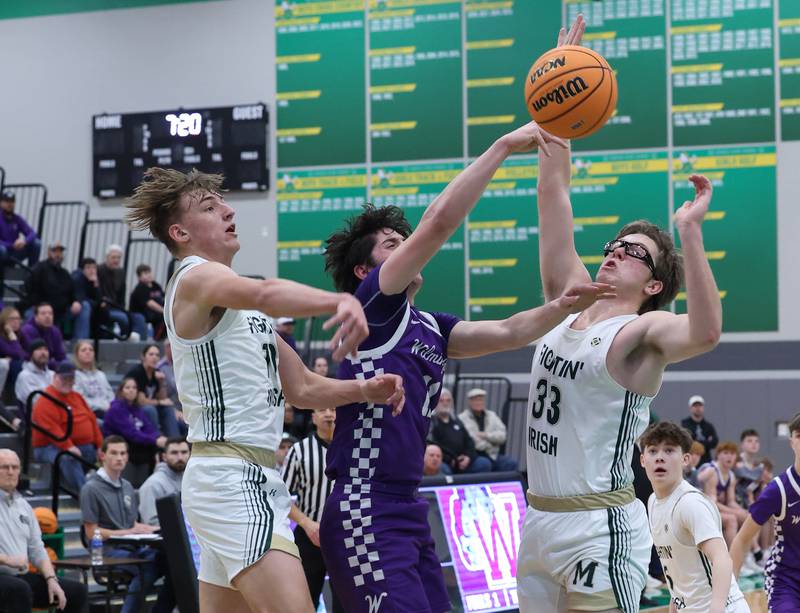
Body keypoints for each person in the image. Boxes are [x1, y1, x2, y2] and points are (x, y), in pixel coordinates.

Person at [321, 116, 619, 611]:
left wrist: (564, 304)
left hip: (408, 504)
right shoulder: (371, 307)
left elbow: (508, 332)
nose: (406, 247)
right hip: (363, 503)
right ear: (365, 271)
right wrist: (502, 146)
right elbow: (438, 222)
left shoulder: (431, 327)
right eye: (393, 245)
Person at [124, 166, 406, 612]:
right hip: (232, 479)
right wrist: (338, 300)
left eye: (223, 203)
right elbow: (267, 292)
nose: (228, 210)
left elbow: (304, 387)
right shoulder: (195, 277)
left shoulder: (243, 310)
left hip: (241, 479)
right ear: (179, 231)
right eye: (210, 208)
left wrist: (365, 390)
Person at [515, 16, 723, 613]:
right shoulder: (568, 296)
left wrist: (688, 232)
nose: (612, 253)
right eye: (612, 245)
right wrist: (556, 87)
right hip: (538, 522)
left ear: (654, 282)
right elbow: (553, 192)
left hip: (599, 528)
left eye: (632, 253)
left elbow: (706, 332)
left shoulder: (640, 334)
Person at [640, 423, 749, 613]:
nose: (659, 457)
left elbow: (721, 558)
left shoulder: (690, 503)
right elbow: (675, 567)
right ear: (642, 460)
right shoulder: (653, 502)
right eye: (653, 451)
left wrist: (717, 609)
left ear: (685, 459)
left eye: (669, 450)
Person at [80, 435, 161, 613]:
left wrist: (159, 529)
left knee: (168, 560)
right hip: (106, 550)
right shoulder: (91, 488)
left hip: (130, 547)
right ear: (102, 456)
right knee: (146, 567)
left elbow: (133, 525)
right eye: (114, 453)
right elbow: (91, 532)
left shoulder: (127, 486)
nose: (120, 458)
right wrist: (127, 532)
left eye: (123, 453)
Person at [0, 449, 87, 613]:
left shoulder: (24, 506)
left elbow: (37, 549)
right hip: (6, 579)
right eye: (4, 467)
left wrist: (51, 579)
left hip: (19, 577)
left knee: (76, 591)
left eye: (14, 467)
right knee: (19, 589)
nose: (10, 472)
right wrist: (7, 559)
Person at [730, 412, 800, 611]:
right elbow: (742, 540)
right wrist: (731, 593)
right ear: (791, 442)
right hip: (786, 582)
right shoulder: (778, 489)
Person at [282, 407, 344, 612]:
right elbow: (282, 498)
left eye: (333, 409)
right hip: (309, 536)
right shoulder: (298, 451)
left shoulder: (354, 449)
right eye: (322, 410)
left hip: (346, 537)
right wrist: (307, 524)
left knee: (348, 601)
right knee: (305, 599)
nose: (328, 414)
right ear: (313, 417)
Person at [31, 361, 103, 492]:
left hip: (76, 444)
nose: (68, 381)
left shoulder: (76, 396)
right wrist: (68, 446)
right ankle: (85, 495)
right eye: (64, 378)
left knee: (94, 452)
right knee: (68, 457)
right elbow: (51, 429)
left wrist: (99, 445)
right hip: (48, 447)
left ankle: (90, 486)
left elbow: (91, 419)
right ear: (55, 378)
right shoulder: (45, 399)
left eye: (71, 378)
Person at [103, 377, 168, 488]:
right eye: (127, 387)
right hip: (122, 445)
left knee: (158, 446)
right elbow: (131, 433)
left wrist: (159, 438)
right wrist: (155, 440)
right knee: (152, 447)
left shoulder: (136, 408)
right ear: (121, 390)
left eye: (134, 387)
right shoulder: (116, 409)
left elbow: (148, 427)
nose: (131, 390)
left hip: (136, 445)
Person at [23, 242, 89, 339]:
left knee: (84, 306)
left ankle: (80, 343)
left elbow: (74, 291)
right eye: (54, 251)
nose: (58, 254)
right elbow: (29, 289)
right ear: (49, 253)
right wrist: (42, 307)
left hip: (61, 312)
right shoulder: (39, 268)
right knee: (33, 315)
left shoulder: (65, 273)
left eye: (60, 252)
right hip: (40, 309)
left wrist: (76, 301)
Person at [698, 442, 749, 548]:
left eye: (732, 453)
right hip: (704, 508)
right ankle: (731, 556)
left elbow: (731, 501)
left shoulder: (731, 475)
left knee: (749, 516)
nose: (729, 456)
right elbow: (712, 502)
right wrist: (734, 512)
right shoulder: (712, 471)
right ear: (718, 455)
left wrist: (742, 511)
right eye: (726, 453)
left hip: (715, 508)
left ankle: (750, 554)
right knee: (732, 519)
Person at [429, 387, 491, 474]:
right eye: (441, 400)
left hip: (463, 460)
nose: (445, 403)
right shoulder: (432, 423)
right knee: (442, 468)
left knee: (484, 463)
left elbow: (469, 442)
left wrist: (468, 457)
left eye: (448, 400)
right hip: (446, 461)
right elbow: (433, 445)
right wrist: (452, 459)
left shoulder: (457, 421)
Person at [125, 343, 182, 437]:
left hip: (149, 406)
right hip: (131, 407)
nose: (154, 357)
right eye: (151, 354)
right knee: (150, 410)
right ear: (143, 357)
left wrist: (162, 382)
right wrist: (160, 402)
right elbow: (141, 401)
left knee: (167, 409)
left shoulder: (156, 372)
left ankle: (174, 441)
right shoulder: (138, 372)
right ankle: (156, 440)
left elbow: (162, 397)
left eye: (157, 355)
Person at [458, 387, 517, 472]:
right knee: (484, 464)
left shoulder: (492, 416)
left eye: (481, 400)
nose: (478, 403)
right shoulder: (462, 418)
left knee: (511, 463)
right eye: (475, 400)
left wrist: (486, 435)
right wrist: (491, 444)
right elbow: (471, 440)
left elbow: (502, 436)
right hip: (474, 456)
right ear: (470, 402)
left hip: (493, 455)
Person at [97, 244, 147, 339]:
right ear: (107, 258)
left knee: (140, 318)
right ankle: (126, 339)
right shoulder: (99, 270)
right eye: (113, 257)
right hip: (104, 308)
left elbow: (122, 293)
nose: (116, 260)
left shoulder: (121, 272)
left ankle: (142, 346)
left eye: (119, 258)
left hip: (118, 308)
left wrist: (123, 308)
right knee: (123, 318)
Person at [139, 436, 190, 527]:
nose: (180, 457)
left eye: (184, 452)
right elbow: (151, 522)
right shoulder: (152, 485)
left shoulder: (191, 481)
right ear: (164, 457)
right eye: (174, 453)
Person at [72, 340, 114, 418]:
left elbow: (110, 394)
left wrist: (111, 406)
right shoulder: (74, 375)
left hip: (108, 410)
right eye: (83, 350)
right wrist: (102, 406)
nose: (88, 352)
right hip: (90, 412)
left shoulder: (100, 374)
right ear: (77, 355)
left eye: (91, 350)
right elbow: (80, 399)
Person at [19, 303, 66, 370]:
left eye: (50, 313)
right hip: (31, 366)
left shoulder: (55, 331)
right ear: (35, 316)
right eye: (43, 313)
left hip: (50, 366)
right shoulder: (27, 330)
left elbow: (61, 355)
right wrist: (56, 364)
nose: (47, 316)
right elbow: (36, 357)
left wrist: (65, 364)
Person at [0, 190, 41, 267]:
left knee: (36, 243)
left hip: (14, 253)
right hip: (3, 252)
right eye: (6, 201)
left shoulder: (17, 219)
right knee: (2, 249)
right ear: (1, 203)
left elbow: (32, 233)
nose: (9, 204)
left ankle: (32, 275)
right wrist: (12, 245)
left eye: (12, 201)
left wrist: (24, 241)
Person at [129, 264, 166, 339]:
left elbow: (163, 298)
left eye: (149, 272)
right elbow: (150, 303)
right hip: (139, 313)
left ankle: (159, 339)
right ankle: (145, 342)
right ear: (139, 277)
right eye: (145, 274)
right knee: (141, 319)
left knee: (164, 320)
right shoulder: (140, 288)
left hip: (152, 313)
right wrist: (164, 311)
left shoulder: (155, 285)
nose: (149, 275)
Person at [14, 339, 53, 409]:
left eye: (46, 349)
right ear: (31, 354)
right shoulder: (24, 376)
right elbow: (36, 402)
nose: (43, 353)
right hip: (36, 417)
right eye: (39, 349)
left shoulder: (53, 374)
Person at [71, 257, 105, 338]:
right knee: (85, 306)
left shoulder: (93, 280)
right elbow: (80, 298)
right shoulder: (77, 279)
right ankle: (81, 340)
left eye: (94, 267)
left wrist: (96, 285)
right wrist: (98, 304)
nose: (92, 270)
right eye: (88, 267)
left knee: (105, 311)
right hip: (73, 307)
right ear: (82, 270)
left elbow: (100, 299)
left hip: (92, 308)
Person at [681, 395, 719, 465]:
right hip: (690, 460)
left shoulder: (709, 426)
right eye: (695, 406)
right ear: (690, 408)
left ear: (703, 407)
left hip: (706, 460)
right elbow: (685, 440)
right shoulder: (685, 424)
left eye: (700, 406)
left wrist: (695, 441)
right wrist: (706, 441)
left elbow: (714, 442)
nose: (698, 408)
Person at [0, 306, 26, 398]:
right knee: (16, 364)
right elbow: (17, 353)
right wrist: (12, 335)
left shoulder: (22, 334)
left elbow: (28, 354)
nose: (16, 321)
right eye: (12, 319)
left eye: (18, 318)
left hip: (12, 369)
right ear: (4, 321)